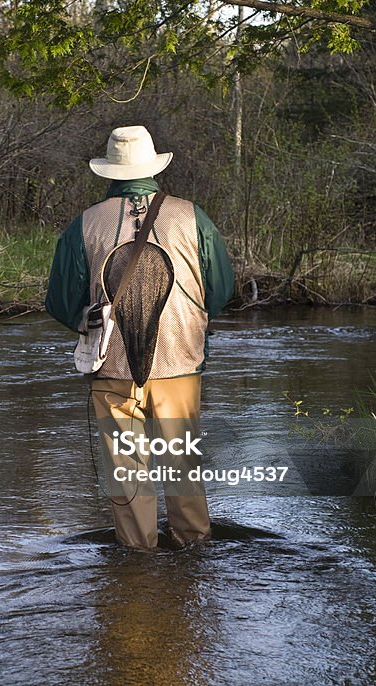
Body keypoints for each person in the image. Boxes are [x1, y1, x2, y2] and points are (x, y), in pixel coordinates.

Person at [45, 125, 234, 550]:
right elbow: (221, 290)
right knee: (183, 464)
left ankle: (138, 562)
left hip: (111, 369)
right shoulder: (191, 217)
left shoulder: (84, 225)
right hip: (180, 365)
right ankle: (195, 552)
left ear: (109, 172)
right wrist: (191, 326)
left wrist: (87, 322)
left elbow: (59, 302)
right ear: (153, 167)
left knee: (128, 472)